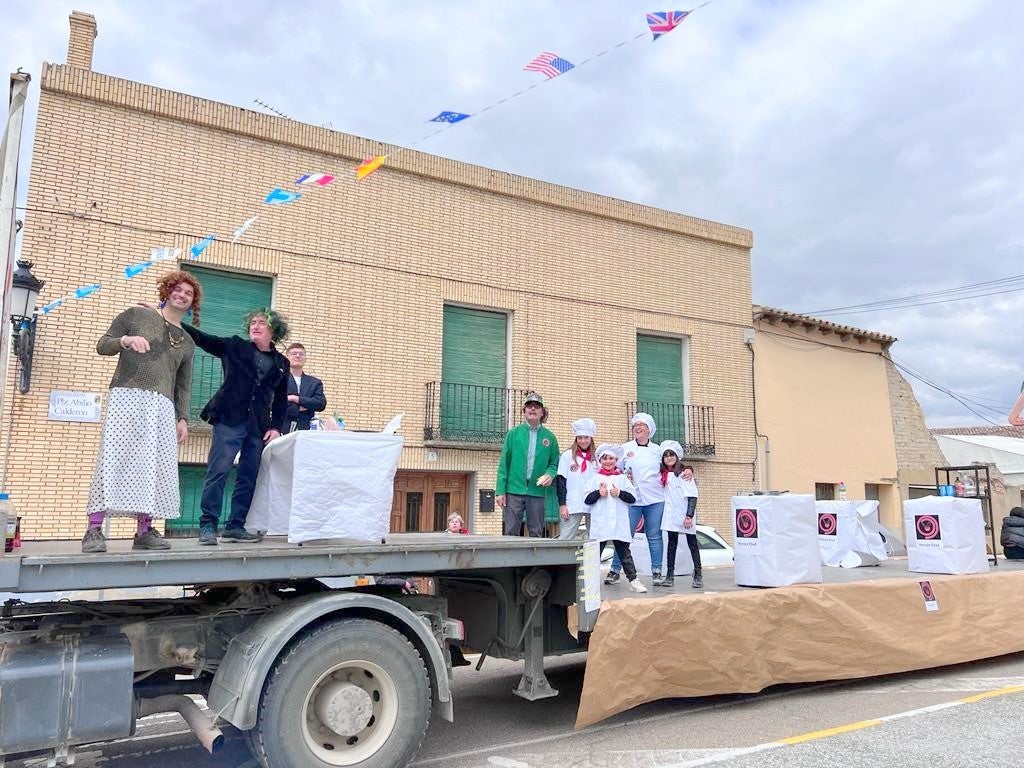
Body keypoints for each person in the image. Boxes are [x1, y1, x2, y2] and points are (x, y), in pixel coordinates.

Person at [82, 270, 201, 553]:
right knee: (114, 458)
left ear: (193, 302)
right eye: (178, 289)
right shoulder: (136, 315)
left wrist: (182, 417)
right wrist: (125, 341)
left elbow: (183, 385)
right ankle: (94, 529)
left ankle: (144, 531)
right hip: (127, 395)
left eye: (189, 293)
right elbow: (103, 345)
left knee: (154, 465)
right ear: (167, 291)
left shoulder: (187, 342)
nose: (182, 295)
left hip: (162, 405)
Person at [184, 308, 290, 545]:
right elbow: (203, 339)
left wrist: (275, 427)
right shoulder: (235, 346)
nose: (255, 326)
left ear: (273, 330)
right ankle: (208, 525)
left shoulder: (282, 363)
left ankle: (235, 526)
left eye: (262, 323)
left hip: (258, 427)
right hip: (229, 419)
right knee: (218, 471)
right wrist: (172, 321)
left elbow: (282, 400)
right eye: (252, 322)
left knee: (248, 477)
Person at [606, 412, 664, 585]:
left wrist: (687, 470)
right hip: (632, 500)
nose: (638, 428)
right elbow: (614, 468)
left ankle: (657, 572)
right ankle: (615, 570)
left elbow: (670, 467)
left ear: (649, 430)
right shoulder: (625, 448)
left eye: (642, 425)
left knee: (654, 536)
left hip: (655, 499)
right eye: (635, 425)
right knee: (623, 536)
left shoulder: (658, 450)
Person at [495, 392, 560, 537]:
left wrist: (550, 474)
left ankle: (533, 560)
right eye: (529, 406)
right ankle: (509, 560)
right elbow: (504, 464)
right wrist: (500, 491)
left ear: (542, 412)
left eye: (537, 406)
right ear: (524, 411)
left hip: (536, 492)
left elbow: (555, 463)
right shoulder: (513, 434)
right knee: (511, 531)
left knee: (536, 532)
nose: (533, 409)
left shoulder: (550, 438)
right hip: (513, 491)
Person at [584, 443, 646, 593]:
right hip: (601, 523)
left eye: (611, 458)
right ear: (600, 460)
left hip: (619, 523)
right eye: (604, 459)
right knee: (595, 553)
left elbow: (632, 498)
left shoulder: (623, 479)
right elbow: (587, 499)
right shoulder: (594, 478)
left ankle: (634, 580)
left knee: (624, 553)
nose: (608, 461)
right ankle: (589, 582)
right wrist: (599, 493)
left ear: (616, 460)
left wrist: (619, 493)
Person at [656, 441, 700, 588]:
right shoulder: (662, 474)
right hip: (670, 515)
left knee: (692, 544)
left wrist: (689, 516)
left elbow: (693, 496)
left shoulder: (684, 474)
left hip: (684, 514)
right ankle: (669, 576)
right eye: (666, 455)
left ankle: (698, 574)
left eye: (671, 455)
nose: (669, 458)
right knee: (671, 545)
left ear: (677, 456)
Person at [557, 417, 598, 540]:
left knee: (594, 539)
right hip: (573, 503)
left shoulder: (598, 457)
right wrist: (562, 504)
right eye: (580, 438)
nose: (583, 441)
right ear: (576, 439)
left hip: (594, 503)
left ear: (591, 439)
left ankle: (592, 560)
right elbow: (561, 481)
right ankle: (562, 560)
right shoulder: (567, 456)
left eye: (586, 437)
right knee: (565, 538)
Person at [284, 342, 327, 431]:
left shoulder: (315, 382)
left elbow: (320, 404)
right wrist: (307, 407)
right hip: (282, 429)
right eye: (294, 353)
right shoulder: (278, 379)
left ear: (305, 359)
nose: (298, 356)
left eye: (301, 354)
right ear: (287, 358)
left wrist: (294, 398)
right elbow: (274, 402)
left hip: (306, 431)